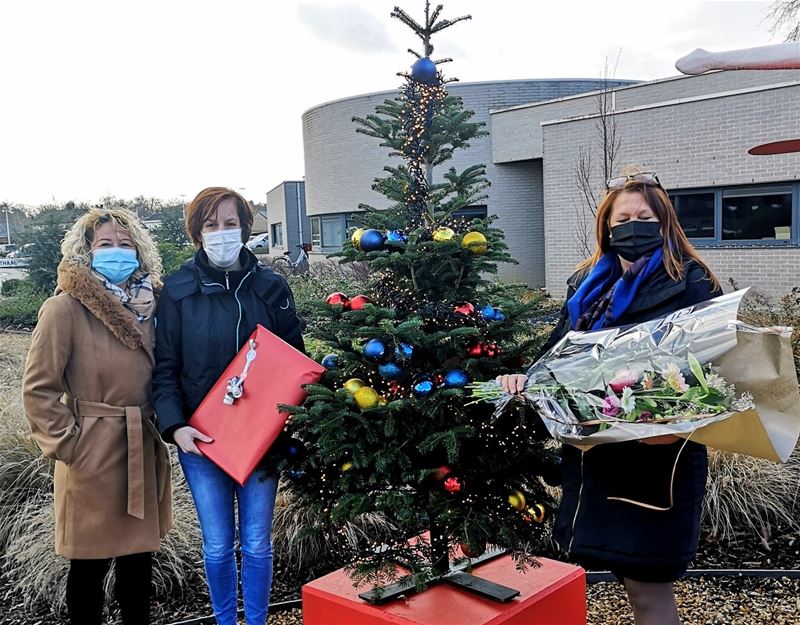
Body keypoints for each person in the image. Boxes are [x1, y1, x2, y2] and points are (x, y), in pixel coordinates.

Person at [498, 170, 722, 625]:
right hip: (596, 457)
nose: (634, 227)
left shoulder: (692, 280)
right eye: (623, 219)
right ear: (607, 225)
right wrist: (526, 379)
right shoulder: (587, 285)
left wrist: (669, 417)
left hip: (658, 457)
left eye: (646, 218)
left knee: (647, 587)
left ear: (664, 223)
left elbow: (712, 368)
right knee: (623, 574)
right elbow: (561, 352)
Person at [151, 187, 304, 625]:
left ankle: (255, 621)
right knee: (217, 545)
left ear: (245, 228)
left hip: (260, 442)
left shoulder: (271, 287)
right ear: (197, 232)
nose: (221, 232)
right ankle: (224, 620)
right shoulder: (177, 291)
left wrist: (284, 422)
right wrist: (175, 426)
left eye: (230, 223)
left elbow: (295, 360)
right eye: (211, 224)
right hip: (202, 441)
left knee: (256, 543)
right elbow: (165, 369)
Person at [23, 208, 172, 625]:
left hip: (140, 446)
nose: (117, 251)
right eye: (105, 244)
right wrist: (70, 445)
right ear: (87, 252)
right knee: (88, 565)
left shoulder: (153, 307)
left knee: (138, 565)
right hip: (92, 451)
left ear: (139, 252)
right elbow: (38, 388)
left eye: (126, 244)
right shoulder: (64, 309)